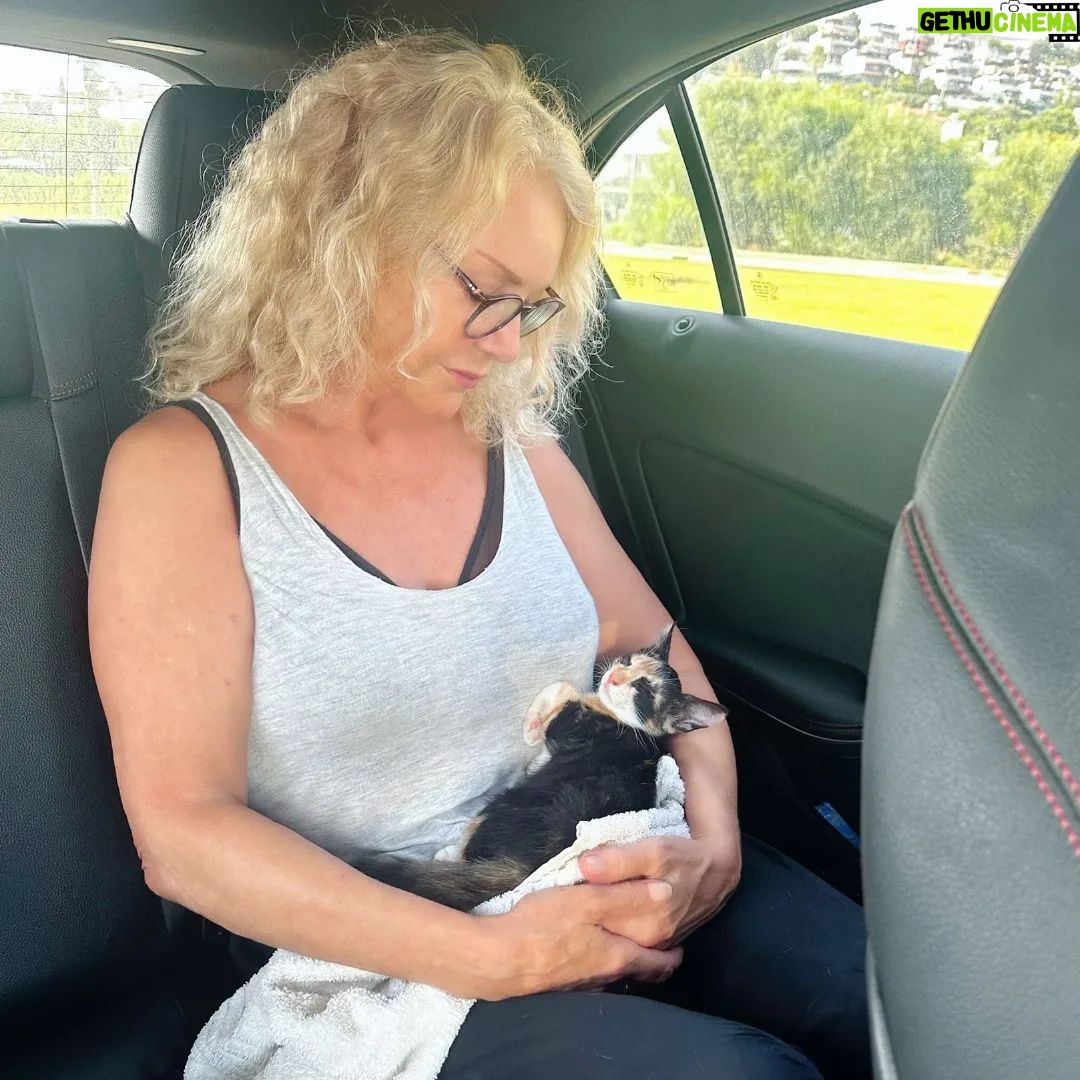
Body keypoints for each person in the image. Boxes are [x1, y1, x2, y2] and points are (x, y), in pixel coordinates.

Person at [87, 26, 869, 1080]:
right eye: (484, 290)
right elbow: (183, 833)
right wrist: (495, 956)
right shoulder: (184, 470)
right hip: (399, 959)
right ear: (345, 232)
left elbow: (646, 641)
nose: (511, 343)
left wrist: (717, 840)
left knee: (901, 1006)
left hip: (615, 848)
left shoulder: (511, 436)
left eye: (534, 304)